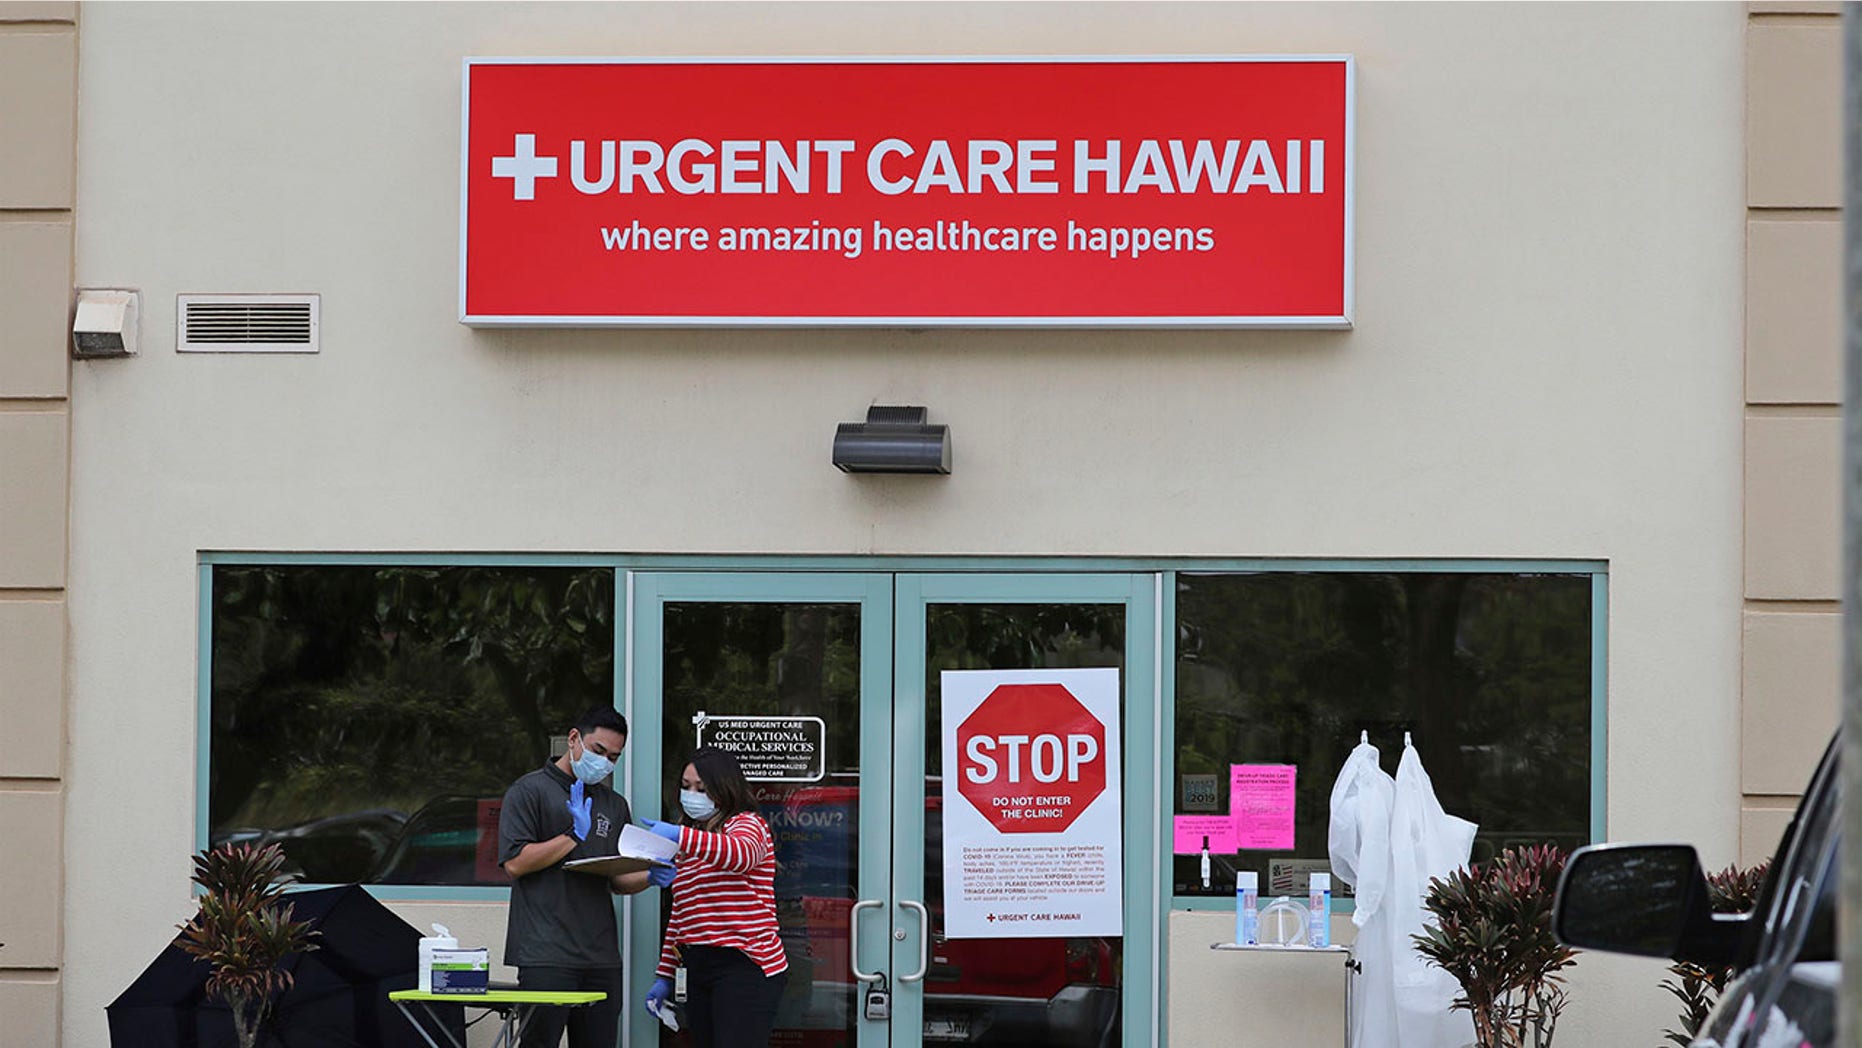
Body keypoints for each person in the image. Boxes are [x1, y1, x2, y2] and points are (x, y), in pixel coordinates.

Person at [498, 706, 677, 1048]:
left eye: (614, 757)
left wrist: (650, 875)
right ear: (574, 739)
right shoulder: (529, 791)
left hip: (601, 955)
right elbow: (516, 864)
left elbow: (616, 880)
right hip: (545, 952)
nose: (605, 763)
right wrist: (572, 836)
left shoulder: (613, 804)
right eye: (598, 751)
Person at [640, 746, 788, 1047]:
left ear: (723, 788)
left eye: (701, 788)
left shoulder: (747, 824)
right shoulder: (692, 842)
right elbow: (682, 915)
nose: (691, 794)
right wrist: (665, 975)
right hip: (699, 965)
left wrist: (679, 835)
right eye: (685, 787)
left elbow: (740, 855)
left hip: (745, 964)